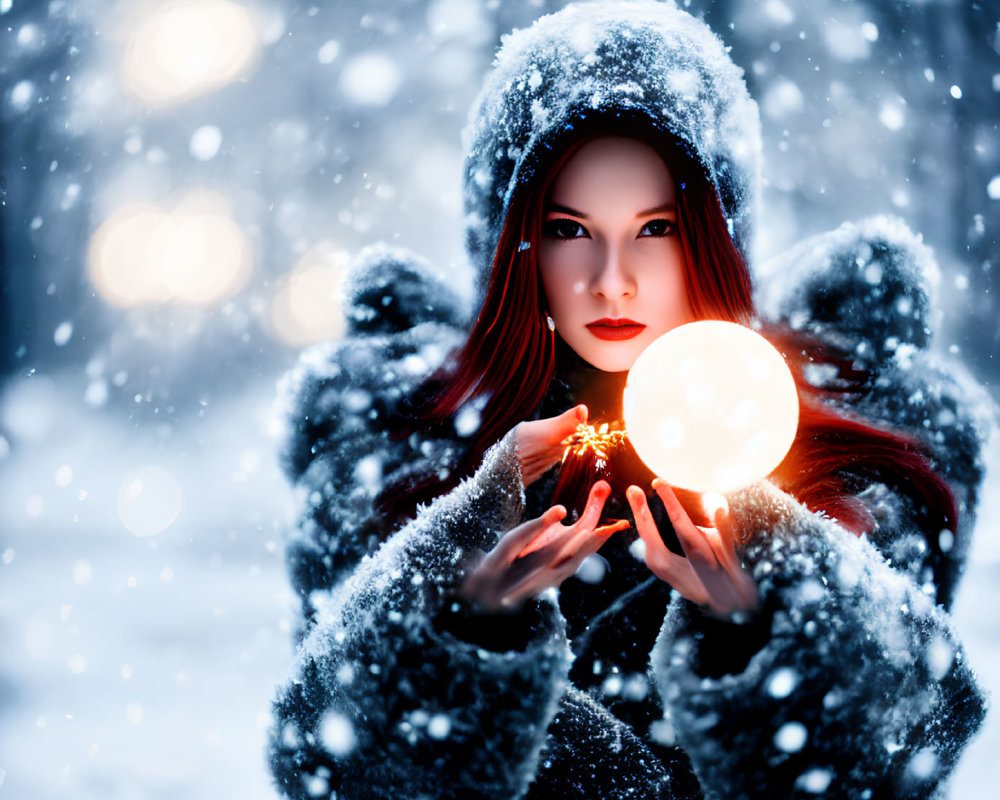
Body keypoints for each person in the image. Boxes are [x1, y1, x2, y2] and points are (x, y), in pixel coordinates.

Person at [268, 2, 990, 798]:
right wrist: (457, 616)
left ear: (715, 233)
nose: (612, 278)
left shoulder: (850, 457)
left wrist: (772, 626)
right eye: (570, 229)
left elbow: (909, 745)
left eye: (655, 228)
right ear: (512, 243)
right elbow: (325, 763)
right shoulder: (395, 452)